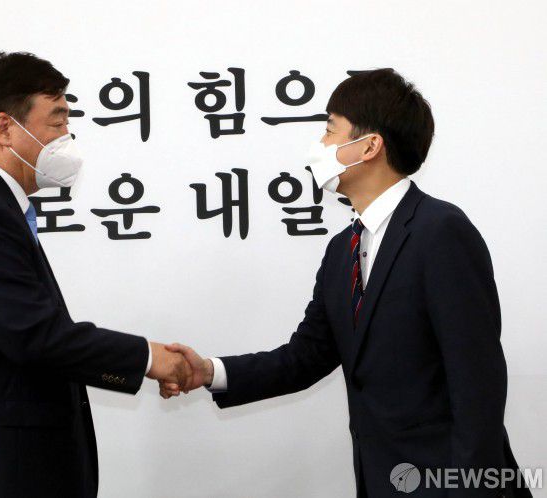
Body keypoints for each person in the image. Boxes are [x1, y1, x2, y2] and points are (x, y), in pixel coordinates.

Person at [160, 69, 531, 497]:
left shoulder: (441, 231)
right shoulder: (342, 250)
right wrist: (209, 371)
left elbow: (478, 382)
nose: (319, 146)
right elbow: (306, 357)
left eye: (329, 130)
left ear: (370, 146)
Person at [0, 51, 190, 498]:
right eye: (57, 121)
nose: (67, 136)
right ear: (5, 128)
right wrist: (148, 359)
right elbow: (36, 337)